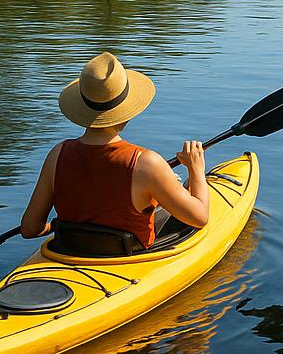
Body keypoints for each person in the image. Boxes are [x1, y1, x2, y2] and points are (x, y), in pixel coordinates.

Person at [19, 52, 209, 246]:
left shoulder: (57, 155)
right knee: (186, 191)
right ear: (126, 112)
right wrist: (196, 170)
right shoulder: (147, 163)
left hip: (69, 249)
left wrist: (60, 226)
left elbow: (30, 228)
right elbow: (200, 218)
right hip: (128, 259)